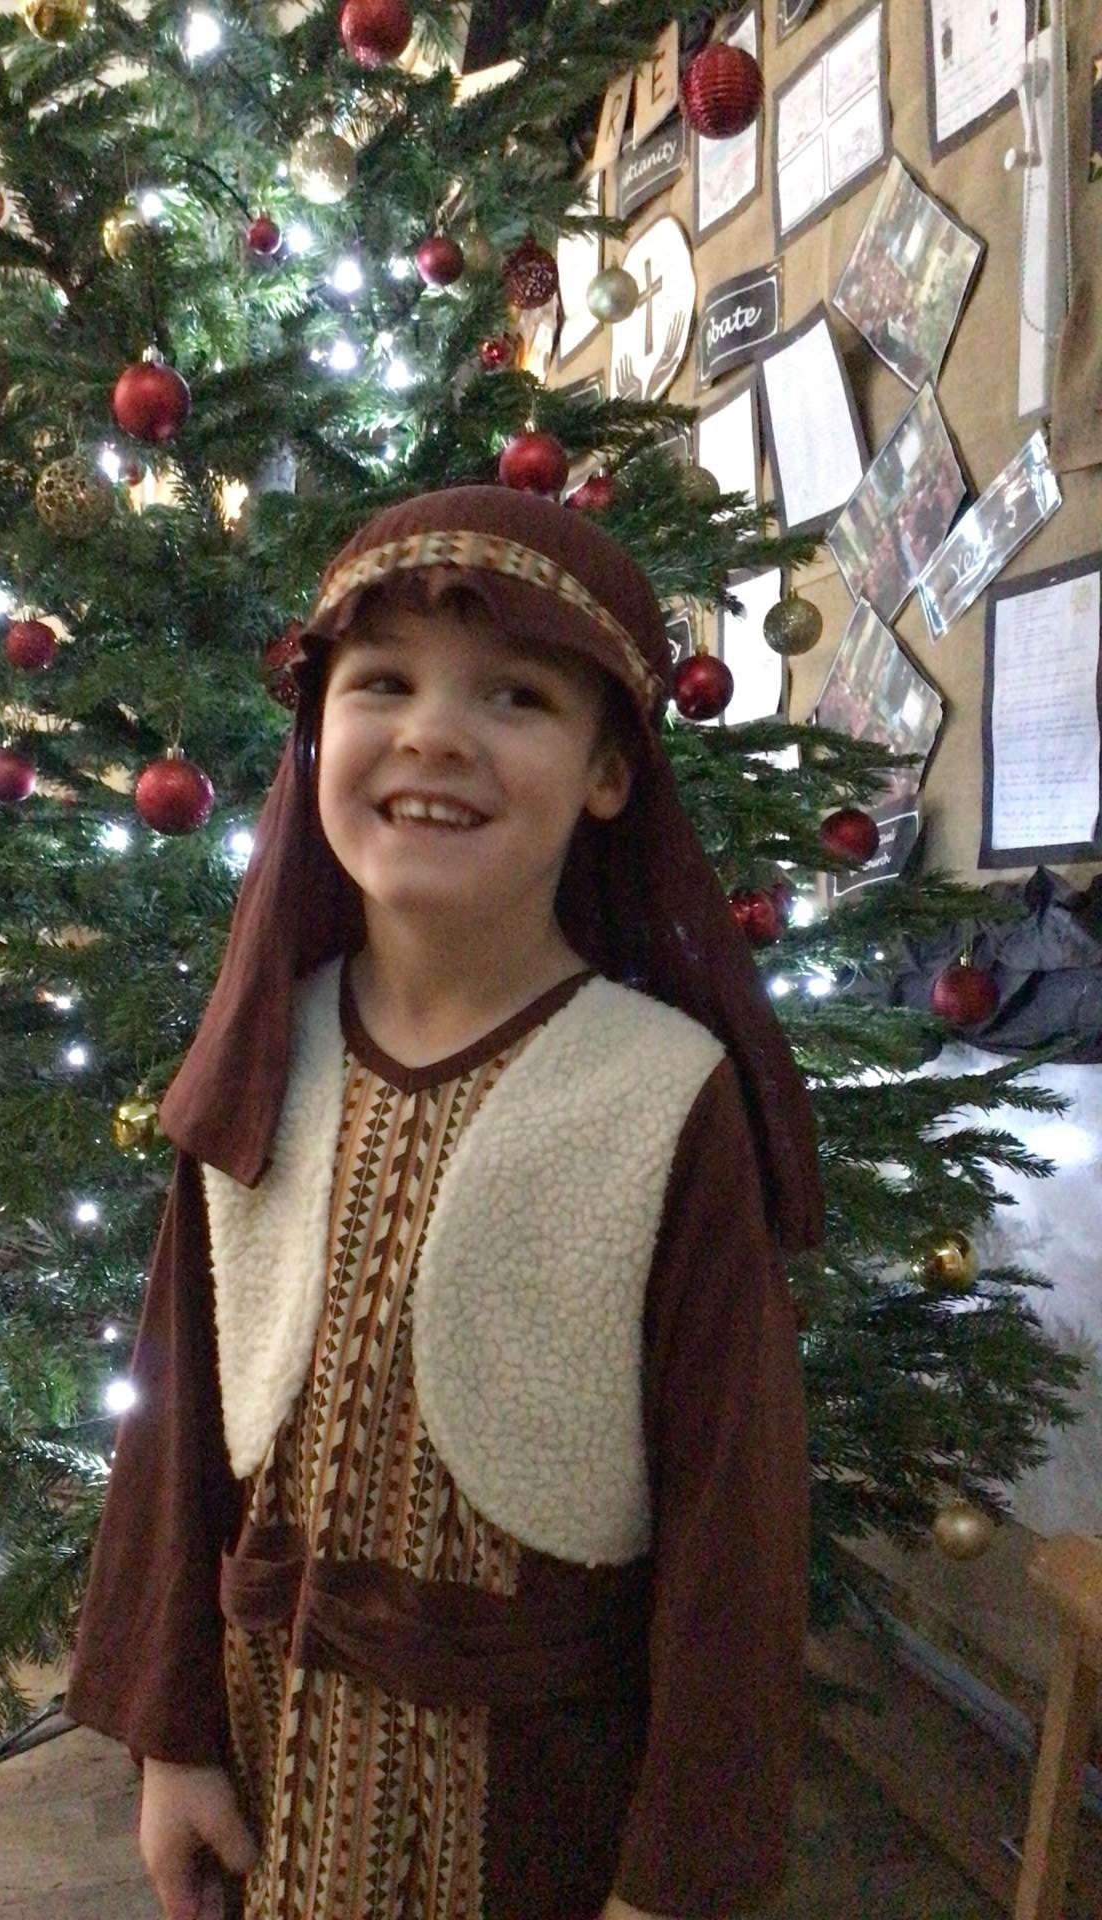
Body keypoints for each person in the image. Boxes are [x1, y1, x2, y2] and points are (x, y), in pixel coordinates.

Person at [64, 485, 824, 1920]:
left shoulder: (664, 1096)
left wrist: (674, 1882)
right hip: (275, 1784)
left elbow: (737, 1529)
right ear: (317, 732)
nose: (432, 734)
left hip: (545, 1824)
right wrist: (173, 1740)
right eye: (383, 684)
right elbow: (175, 1422)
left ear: (609, 772)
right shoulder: (263, 1057)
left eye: (516, 695)